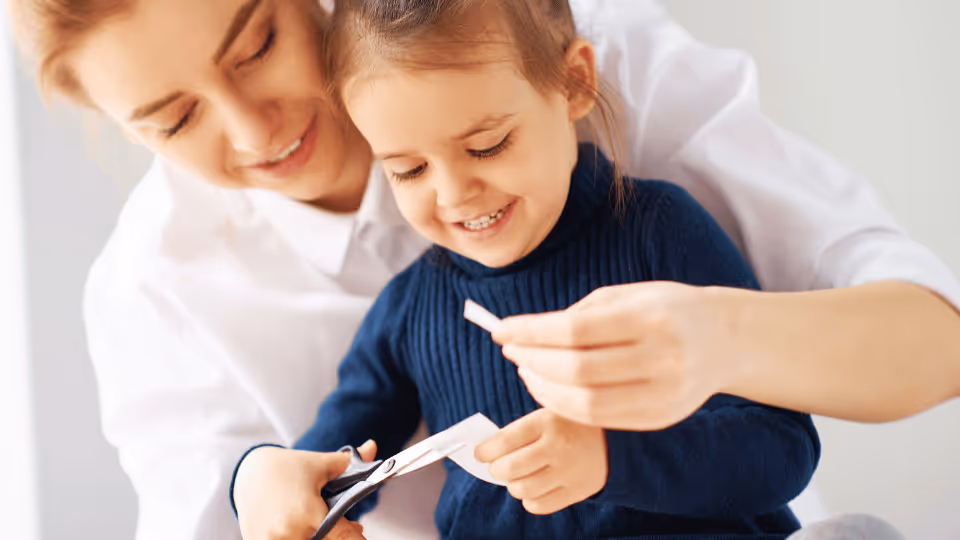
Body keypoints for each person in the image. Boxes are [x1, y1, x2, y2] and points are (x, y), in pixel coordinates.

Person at [7, 0, 958, 539]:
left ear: (573, 86)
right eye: (172, 121)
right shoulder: (157, 291)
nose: (256, 131)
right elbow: (290, 472)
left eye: (257, 41)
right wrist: (264, 481)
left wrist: (718, 341)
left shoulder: (551, 64)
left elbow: (932, 336)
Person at [230, 0, 819, 538]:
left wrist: (612, 460)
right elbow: (321, 472)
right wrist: (257, 477)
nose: (455, 194)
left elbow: (785, 448)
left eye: (487, 146)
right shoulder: (409, 312)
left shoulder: (658, 231)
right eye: (408, 170)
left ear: (574, 83)